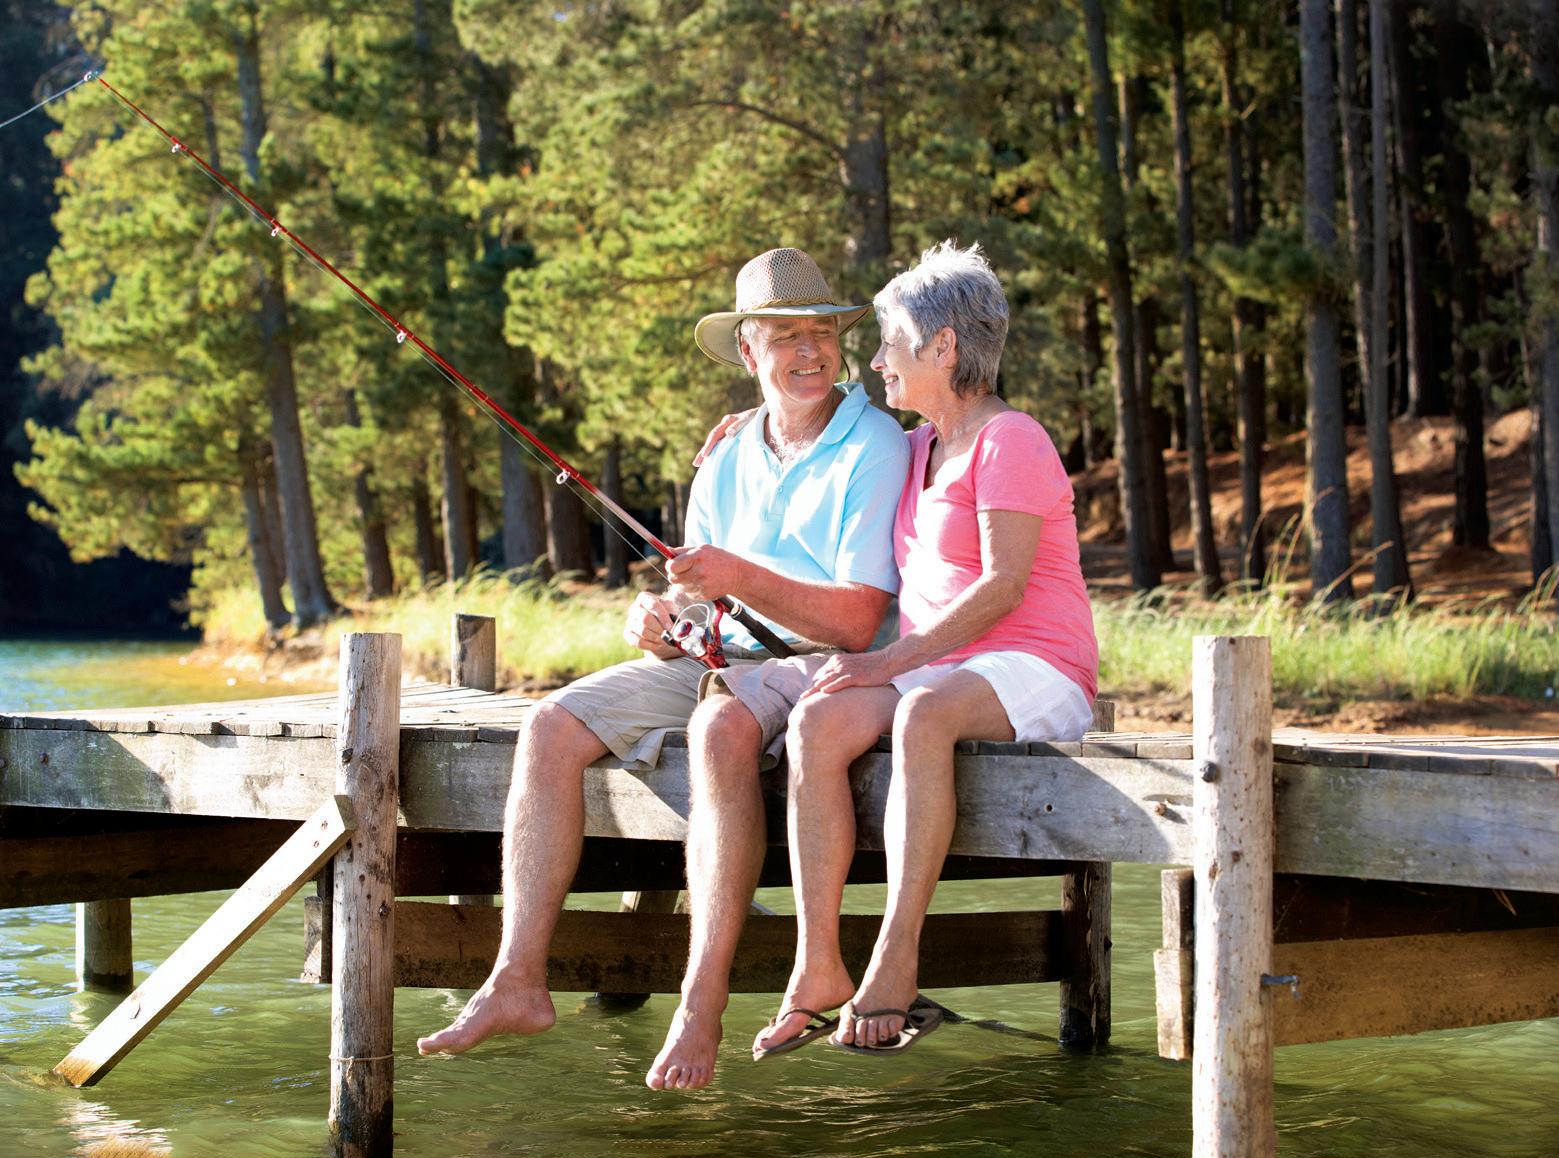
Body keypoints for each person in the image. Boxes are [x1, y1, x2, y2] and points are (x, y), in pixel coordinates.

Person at [415, 248, 911, 1091]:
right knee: (550, 723)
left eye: (821, 332)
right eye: (783, 336)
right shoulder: (726, 454)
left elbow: (858, 619)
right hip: (722, 658)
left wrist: (737, 578)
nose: (808, 351)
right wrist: (660, 621)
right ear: (746, 352)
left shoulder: (875, 443)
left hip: (825, 667)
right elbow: (700, 600)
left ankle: (698, 1002)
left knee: (718, 726)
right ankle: (516, 978)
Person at [749, 241, 1098, 1057]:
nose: (875, 362)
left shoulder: (1011, 439)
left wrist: (885, 662)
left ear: (943, 347)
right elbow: (820, 430)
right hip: (940, 667)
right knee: (816, 721)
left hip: (1035, 662)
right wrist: (748, 428)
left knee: (921, 715)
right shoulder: (913, 448)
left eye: (890, 344)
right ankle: (817, 962)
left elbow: (1003, 587)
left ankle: (895, 955)